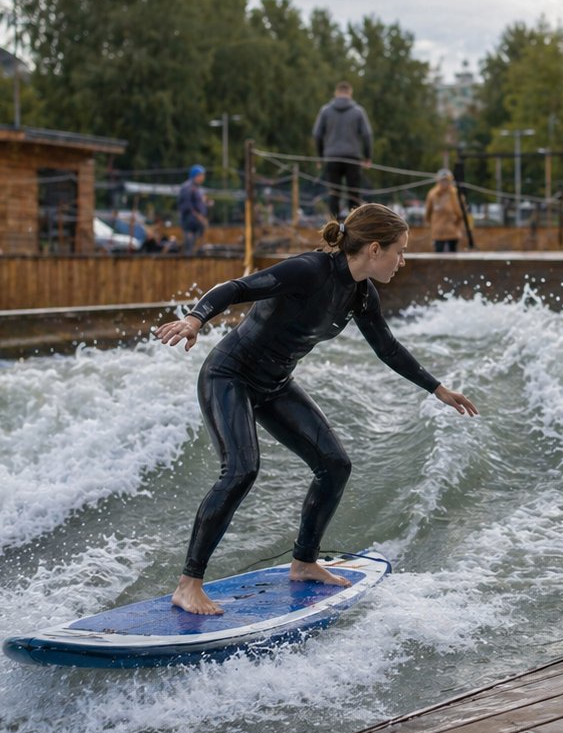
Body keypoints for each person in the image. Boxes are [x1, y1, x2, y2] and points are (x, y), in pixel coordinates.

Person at [151, 204, 478, 615]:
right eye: (400, 251)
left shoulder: (360, 294)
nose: (403, 261)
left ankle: (304, 563)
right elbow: (237, 288)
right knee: (240, 469)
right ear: (374, 249)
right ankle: (188, 584)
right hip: (228, 375)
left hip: (274, 385)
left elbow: (388, 348)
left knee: (334, 464)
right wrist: (196, 320)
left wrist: (438, 389)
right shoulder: (309, 270)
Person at [313, 81, 374, 221]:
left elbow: (317, 134)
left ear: (336, 93)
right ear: (350, 94)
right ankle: (355, 227)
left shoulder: (325, 111)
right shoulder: (358, 111)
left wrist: (320, 156)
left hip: (331, 157)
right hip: (352, 157)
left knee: (334, 193)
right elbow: (367, 135)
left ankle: (333, 228)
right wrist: (368, 157)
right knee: (354, 194)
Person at [424, 169, 466, 253]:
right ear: (438, 180)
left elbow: (460, 214)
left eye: (446, 180)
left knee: (453, 256)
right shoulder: (432, 194)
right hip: (438, 233)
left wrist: (456, 225)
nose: (444, 183)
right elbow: (427, 214)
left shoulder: (455, 194)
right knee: (438, 257)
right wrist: (433, 224)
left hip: (452, 232)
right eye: (442, 180)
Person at [177, 165, 209, 255]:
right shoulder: (187, 187)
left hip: (196, 222)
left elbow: (198, 202)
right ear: (197, 175)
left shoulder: (197, 188)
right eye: (202, 175)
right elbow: (187, 205)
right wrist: (198, 216)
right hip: (189, 221)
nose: (203, 178)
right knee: (189, 244)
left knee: (195, 245)